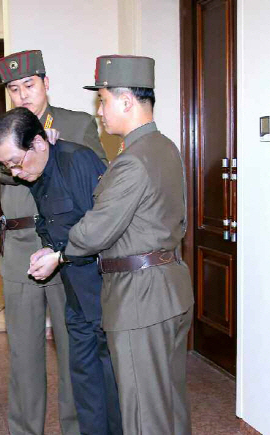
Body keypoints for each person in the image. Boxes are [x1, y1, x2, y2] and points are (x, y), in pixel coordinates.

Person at [29, 55, 195, 435]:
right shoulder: (163, 147)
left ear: (126, 101)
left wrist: (58, 252)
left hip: (140, 297)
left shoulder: (133, 161)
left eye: (102, 100)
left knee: (142, 412)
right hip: (168, 287)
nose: (99, 111)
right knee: (169, 402)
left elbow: (94, 232)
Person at [0, 49, 108, 435]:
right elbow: (0, 168)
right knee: (23, 350)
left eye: (30, 85)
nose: (23, 95)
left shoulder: (78, 123)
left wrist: (56, 148)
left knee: (74, 347)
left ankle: (76, 428)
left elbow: (98, 179)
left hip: (65, 249)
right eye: (14, 89)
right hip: (21, 246)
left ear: (46, 84)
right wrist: (34, 144)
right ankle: (24, 430)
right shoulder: (1, 132)